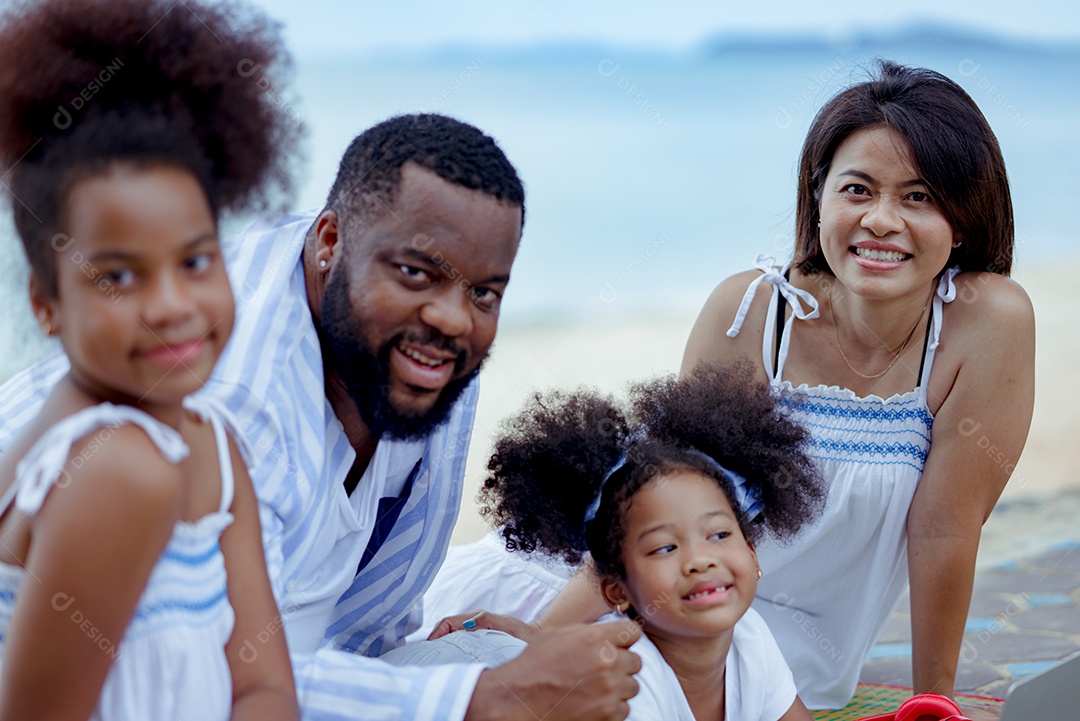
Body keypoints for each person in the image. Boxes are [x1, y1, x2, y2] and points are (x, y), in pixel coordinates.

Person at [0, 57, 641, 721]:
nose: (454, 316)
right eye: (418, 273)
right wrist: (484, 696)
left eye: (484, 291)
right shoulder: (170, 434)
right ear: (328, 240)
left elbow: (263, 683)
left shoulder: (399, 352)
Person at [420, 60, 1034, 718]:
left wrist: (932, 700)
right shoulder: (751, 312)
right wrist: (546, 637)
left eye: (918, 197)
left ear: (962, 218)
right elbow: (648, 502)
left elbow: (944, 526)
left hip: (779, 652)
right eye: (857, 190)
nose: (882, 220)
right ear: (819, 196)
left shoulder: (986, 321)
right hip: (621, 591)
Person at [0, 0, 299, 719]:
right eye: (119, 276)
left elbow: (264, 687)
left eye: (195, 259)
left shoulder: (216, 449)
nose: (171, 303)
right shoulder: (114, 467)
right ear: (47, 302)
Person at [436, 363, 823, 720]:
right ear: (616, 591)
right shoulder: (621, 680)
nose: (700, 559)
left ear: (754, 555)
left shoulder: (749, 638)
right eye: (665, 548)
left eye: (719, 535)